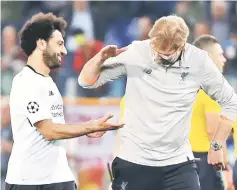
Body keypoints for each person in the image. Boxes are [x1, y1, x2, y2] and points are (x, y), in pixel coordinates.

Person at [78, 15, 237, 190]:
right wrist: (99, 58)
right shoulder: (137, 52)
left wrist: (216, 145)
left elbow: (231, 102)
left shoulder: (198, 61)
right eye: (156, 51)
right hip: (135, 160)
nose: (158, 57)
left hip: (178, 163)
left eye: (165, 55)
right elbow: (86, 81)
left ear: (182, 47)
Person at [5, 12, 123, 190]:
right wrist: (89, 127)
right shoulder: (26, 81)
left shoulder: (48, 81)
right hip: (30, 182)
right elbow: (49, 131)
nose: (65, 51)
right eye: (59, 44)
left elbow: (54, 126)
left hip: (59, 178)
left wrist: (82, 131)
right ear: (41, 43)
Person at [191, 35, 236, 190]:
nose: (224, 59)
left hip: (185, 158)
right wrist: (226, 167)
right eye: (220, 55)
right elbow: (213, 131)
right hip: (207, 159)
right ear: (208, 57)